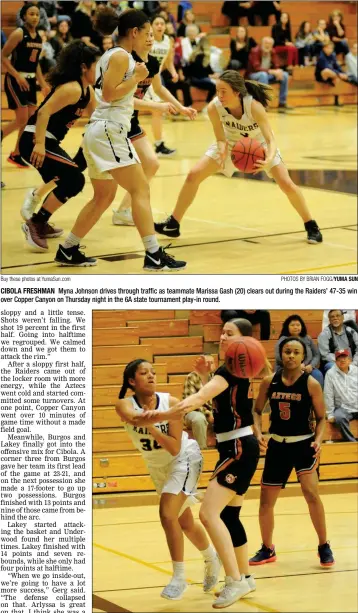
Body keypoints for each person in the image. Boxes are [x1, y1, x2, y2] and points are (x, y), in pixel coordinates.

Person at [55, 7, 186, 270]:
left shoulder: (116, 56)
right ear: (134, 32)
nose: (150, 37)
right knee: (140, 189)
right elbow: (111, 95)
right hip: (109, 131)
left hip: (102, 130)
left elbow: (119, 98)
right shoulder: (121, 57)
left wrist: (155, 106)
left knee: (103, 197)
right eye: (147, 33)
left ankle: (68, 248)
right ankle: (152, 254)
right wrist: (137, 78)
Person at [154, 70, 323, 245]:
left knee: (286, 183)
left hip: (260, 145)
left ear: (236, 92)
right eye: (217, 90)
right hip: (231, 143)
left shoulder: (254, 106)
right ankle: (173, 224)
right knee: (193, 175)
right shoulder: (214, 107)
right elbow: (220, 138)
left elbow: (270, 139)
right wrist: (221, 151)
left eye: (223, 91)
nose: (219, 95)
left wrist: (268, 159)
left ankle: (311, 225)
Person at [166, 318, 260, 608]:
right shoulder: (235, 371)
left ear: (243, 342)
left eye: (229, 334)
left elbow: (201, 398)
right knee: (229, 517)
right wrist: (206, 377)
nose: (221, 337)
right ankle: (245, 576)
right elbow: (220, 396)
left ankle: (234, 581)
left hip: (238, 448)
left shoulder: (228, 370)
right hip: (238, 445)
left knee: (208, 514)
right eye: (221, 331)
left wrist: (165, 412)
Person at [116, 359, 221, 601]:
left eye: (153, 372)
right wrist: (157, 418)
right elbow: (134, 419)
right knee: (184, 522)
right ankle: (211, 558)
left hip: (183, 458)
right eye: (144, 373)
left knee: (166, 514)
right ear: (132, 381)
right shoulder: (123, 404)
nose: (151, 376)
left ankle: (178, 577)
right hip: (157, 468)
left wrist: (154, 425)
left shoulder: (171, 402)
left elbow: (174, 448)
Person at [250, 336, 335, 568]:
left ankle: (323, 545)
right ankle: (267, 548)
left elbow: (321, 418)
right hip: (277, 445)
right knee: (266, 501)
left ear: (303, 356)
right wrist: (258, 433)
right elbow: (256, 411)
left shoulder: (311, 384)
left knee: (311, 494)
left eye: (296, 352)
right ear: (281, 354)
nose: (291, 356)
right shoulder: (269, 381)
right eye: (287, 351)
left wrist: (318, 440)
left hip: (303, 445)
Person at [19, 40, 99, 252]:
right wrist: (39, 144)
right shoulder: (72, 88)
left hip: (49, 140)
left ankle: (40, 220)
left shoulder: (87, 90)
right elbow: (43, 112)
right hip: (34, 139)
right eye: (96, 66)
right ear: (83, 67)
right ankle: (36, 223)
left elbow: (97, 117)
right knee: (75, 179)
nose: (99, 70)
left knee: (74, 173)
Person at [2, 3, 49, 168]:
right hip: (15, 79)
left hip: (29, 81)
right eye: (31, 14)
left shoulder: (37, 37)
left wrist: (42, 83)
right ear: (24, 17)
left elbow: (35, 63)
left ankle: (16, 154)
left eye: (37, 14)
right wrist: (17, 76)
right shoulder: (19, 33)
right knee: (21, 118)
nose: (35, 17)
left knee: (29, 120)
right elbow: (3, 56)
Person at [144, 14, 178, 157]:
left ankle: (158, 145)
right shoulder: (147, 39)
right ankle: (158, 145)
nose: (159, 26)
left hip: (156, 78)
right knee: (157, 110)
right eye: (156, 23)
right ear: (151, 26)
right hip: (143, 78)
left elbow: (168, 61)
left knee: (157, 111)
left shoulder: (168, 41)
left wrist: (173, 72)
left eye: (162, 24)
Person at [275, 314, 324, 387]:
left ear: (302, 326)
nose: (295, 327)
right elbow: (278, 357)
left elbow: (316, 355)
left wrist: (311, 365)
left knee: (318, 375)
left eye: (298, 325)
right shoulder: (283, 339)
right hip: (286, 368)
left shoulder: (307, 338)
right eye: (292, 325)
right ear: (287, 327)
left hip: (307, 367)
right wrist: (297, 367)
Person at [247, 36, 292, 112]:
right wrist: (272, 72)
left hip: (267, 74)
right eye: (266, 43)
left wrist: (278, 72)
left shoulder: (272, 52)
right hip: (254, 74)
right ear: (262, 44)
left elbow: (276, 65)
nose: (267, 45)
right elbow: (256, 68)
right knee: (263, 75)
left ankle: (282, 103)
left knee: (285, 75)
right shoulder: (255, 51)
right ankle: (263, 103)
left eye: (270, 44)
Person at [324, 349, 358, 442]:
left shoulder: (356, 371)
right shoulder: (330, 374)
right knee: (339, 417)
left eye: (344, 357)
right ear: (335, 361)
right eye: (339, 358)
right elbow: (328, 394)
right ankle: (352, 442)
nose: (342, 360)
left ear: (349, 360)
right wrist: (330, 414)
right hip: (343, 408)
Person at [183, 354, 215, 449]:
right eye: (207, 363)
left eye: (212, 363)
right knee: (199, 419)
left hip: (212, 413)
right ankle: (202, 451)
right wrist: (208, 414)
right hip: (193, 412)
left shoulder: (216, 379)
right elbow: (191, 403)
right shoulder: (191, 377)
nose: (209, 365)